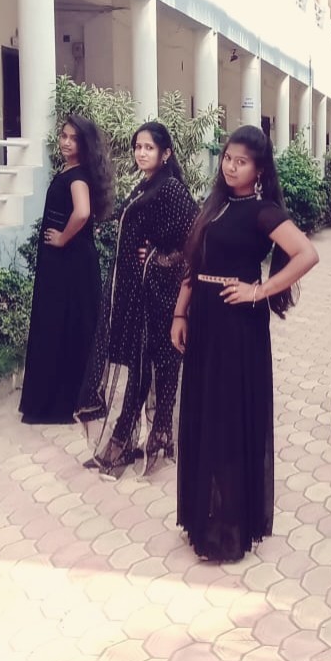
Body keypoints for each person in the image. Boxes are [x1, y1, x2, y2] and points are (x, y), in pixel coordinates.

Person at [173, 125, 319, 562]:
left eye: (242, 161)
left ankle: (229, 526)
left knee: (229, 418)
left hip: (238, 325)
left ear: (259, 169)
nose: (231, 167)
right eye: (227, 158)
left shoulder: (263, 211)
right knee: (203, 413)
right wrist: (180, 313)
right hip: (204, 319)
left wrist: (261, 290)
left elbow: (307, 254)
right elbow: (194, 262)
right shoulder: (214, 204)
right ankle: (203, 516)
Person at [76, 122, 199, 476]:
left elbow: (195, 235)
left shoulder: (171, 188)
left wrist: (160, 257)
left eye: (149, 147)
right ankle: (137, 439)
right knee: (141, 365)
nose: (141, 153)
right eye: (138, 147)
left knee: (157, 364)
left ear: (166, 153)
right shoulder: (146, 184)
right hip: (137, 292)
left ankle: (141, 439)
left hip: (159, 294)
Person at [20, 114, 113, 425]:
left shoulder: (77, 176)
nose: (66, 142)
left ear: (85, 144)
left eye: (74, 139)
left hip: (69, 263)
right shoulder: (72, 171)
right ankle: (62, 398)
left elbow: (82, 212)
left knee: (64, 326)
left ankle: (62, 402)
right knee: (61, 325)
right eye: (64, 136)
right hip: (66, 262)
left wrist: (62, 238)